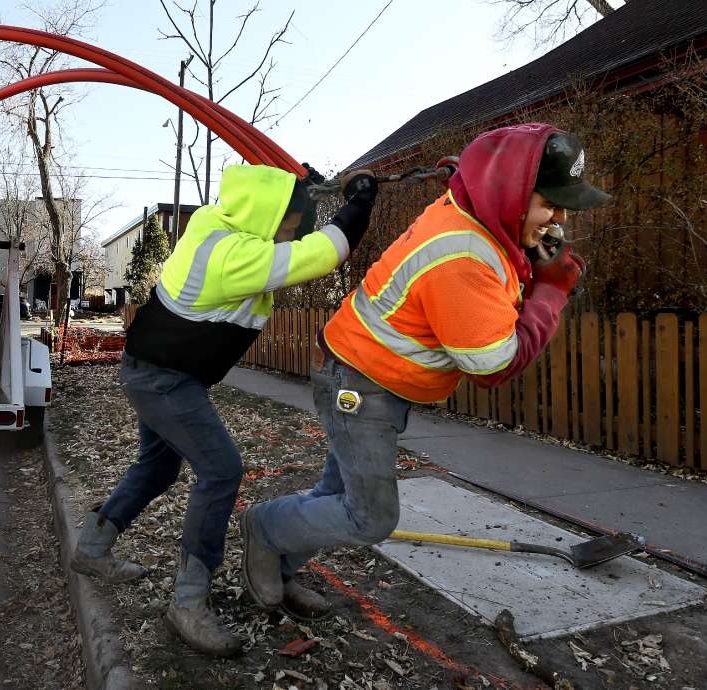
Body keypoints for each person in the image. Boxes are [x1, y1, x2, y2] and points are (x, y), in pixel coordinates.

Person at [239, 123, 612, 614]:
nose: (559, 219)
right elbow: (494, 363)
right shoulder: (463, 258)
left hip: (368, 371)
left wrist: (537, 247)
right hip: (360, 382)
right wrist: (551, 292)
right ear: (512, 195)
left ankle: (278, 568)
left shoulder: (478, 207)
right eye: (550, 204)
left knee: (338, 493)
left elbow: (499, 216)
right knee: (369, 517)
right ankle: (263, 529)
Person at [70, 162, 378, 656]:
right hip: (164, 379)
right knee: (221, 470)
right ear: (267, 218)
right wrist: (358, 204)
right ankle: (188, 602)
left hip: (157, 368)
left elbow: (287, 226)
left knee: (158, 468)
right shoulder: (234, 256)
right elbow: (323, 254)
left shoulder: (215, 224)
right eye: (291, 224)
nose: (294, 235)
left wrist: (303, 195)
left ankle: (91, 548)